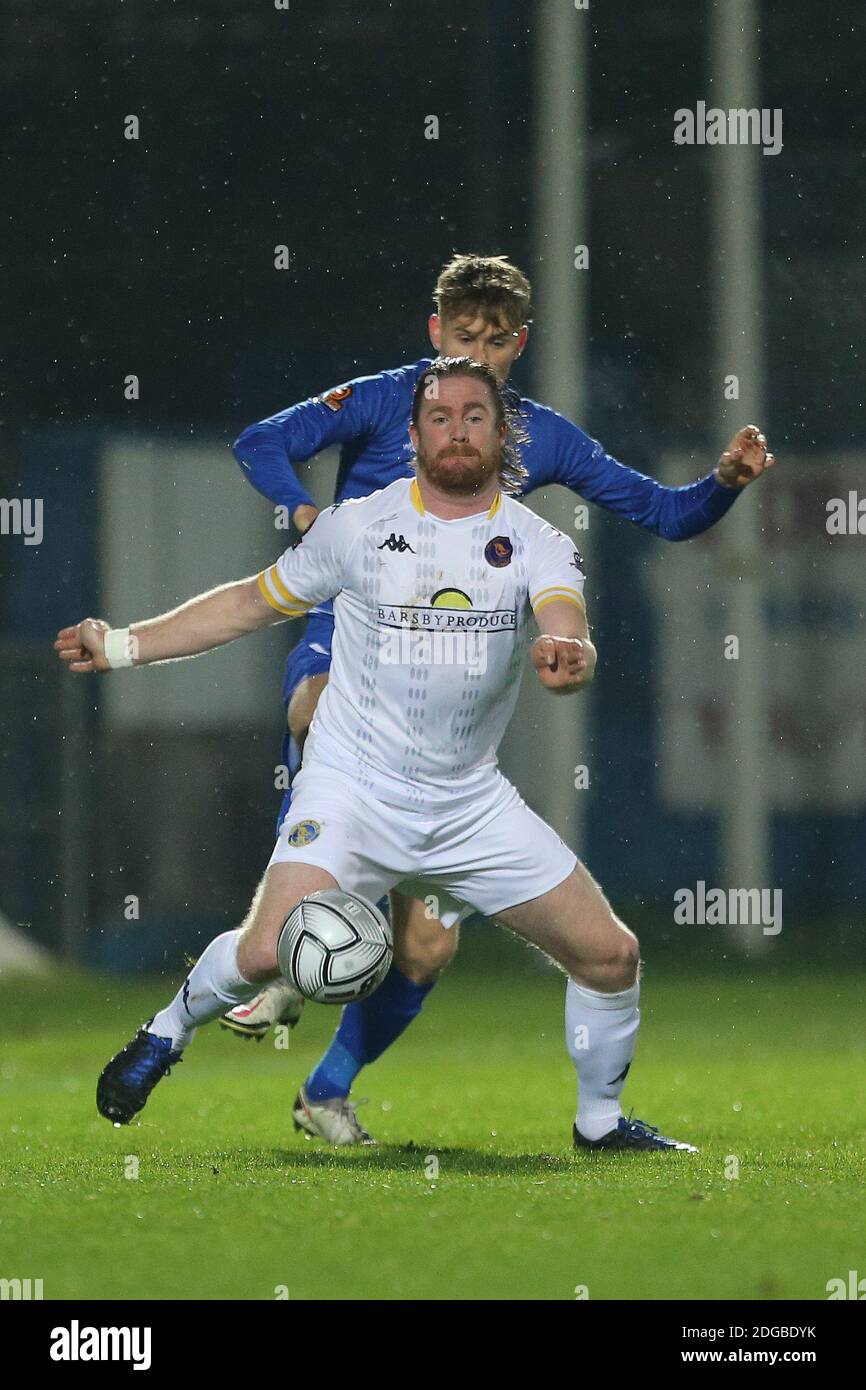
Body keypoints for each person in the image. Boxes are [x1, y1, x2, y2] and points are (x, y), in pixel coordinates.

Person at [57, 357, 727, 1151]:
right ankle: (168, 1030)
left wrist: (567, 653)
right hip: (351, 791)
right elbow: (248, 603)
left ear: (502, 433)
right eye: (439, 417)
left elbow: (563, 618)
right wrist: (126, 645)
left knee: (612, 956)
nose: (456, 432)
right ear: (413, 436)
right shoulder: (359, 526)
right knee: (268, 950)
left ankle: (601, 1125)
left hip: (468, 805)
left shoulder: (538, 542)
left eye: (474, 417)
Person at [224, 255, 775, 1144]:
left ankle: (325, 1091)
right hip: (355, 643)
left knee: (430, 949)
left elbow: (665, 515)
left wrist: (724, 485)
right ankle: (302, 932)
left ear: (519, 344)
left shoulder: (536, 436)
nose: (477, 350)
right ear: (436, 331)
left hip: (447, 716)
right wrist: (301, 515)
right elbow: (260, 442)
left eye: (496, 339)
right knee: (309, 708)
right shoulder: (382, 401)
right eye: (462, 334)